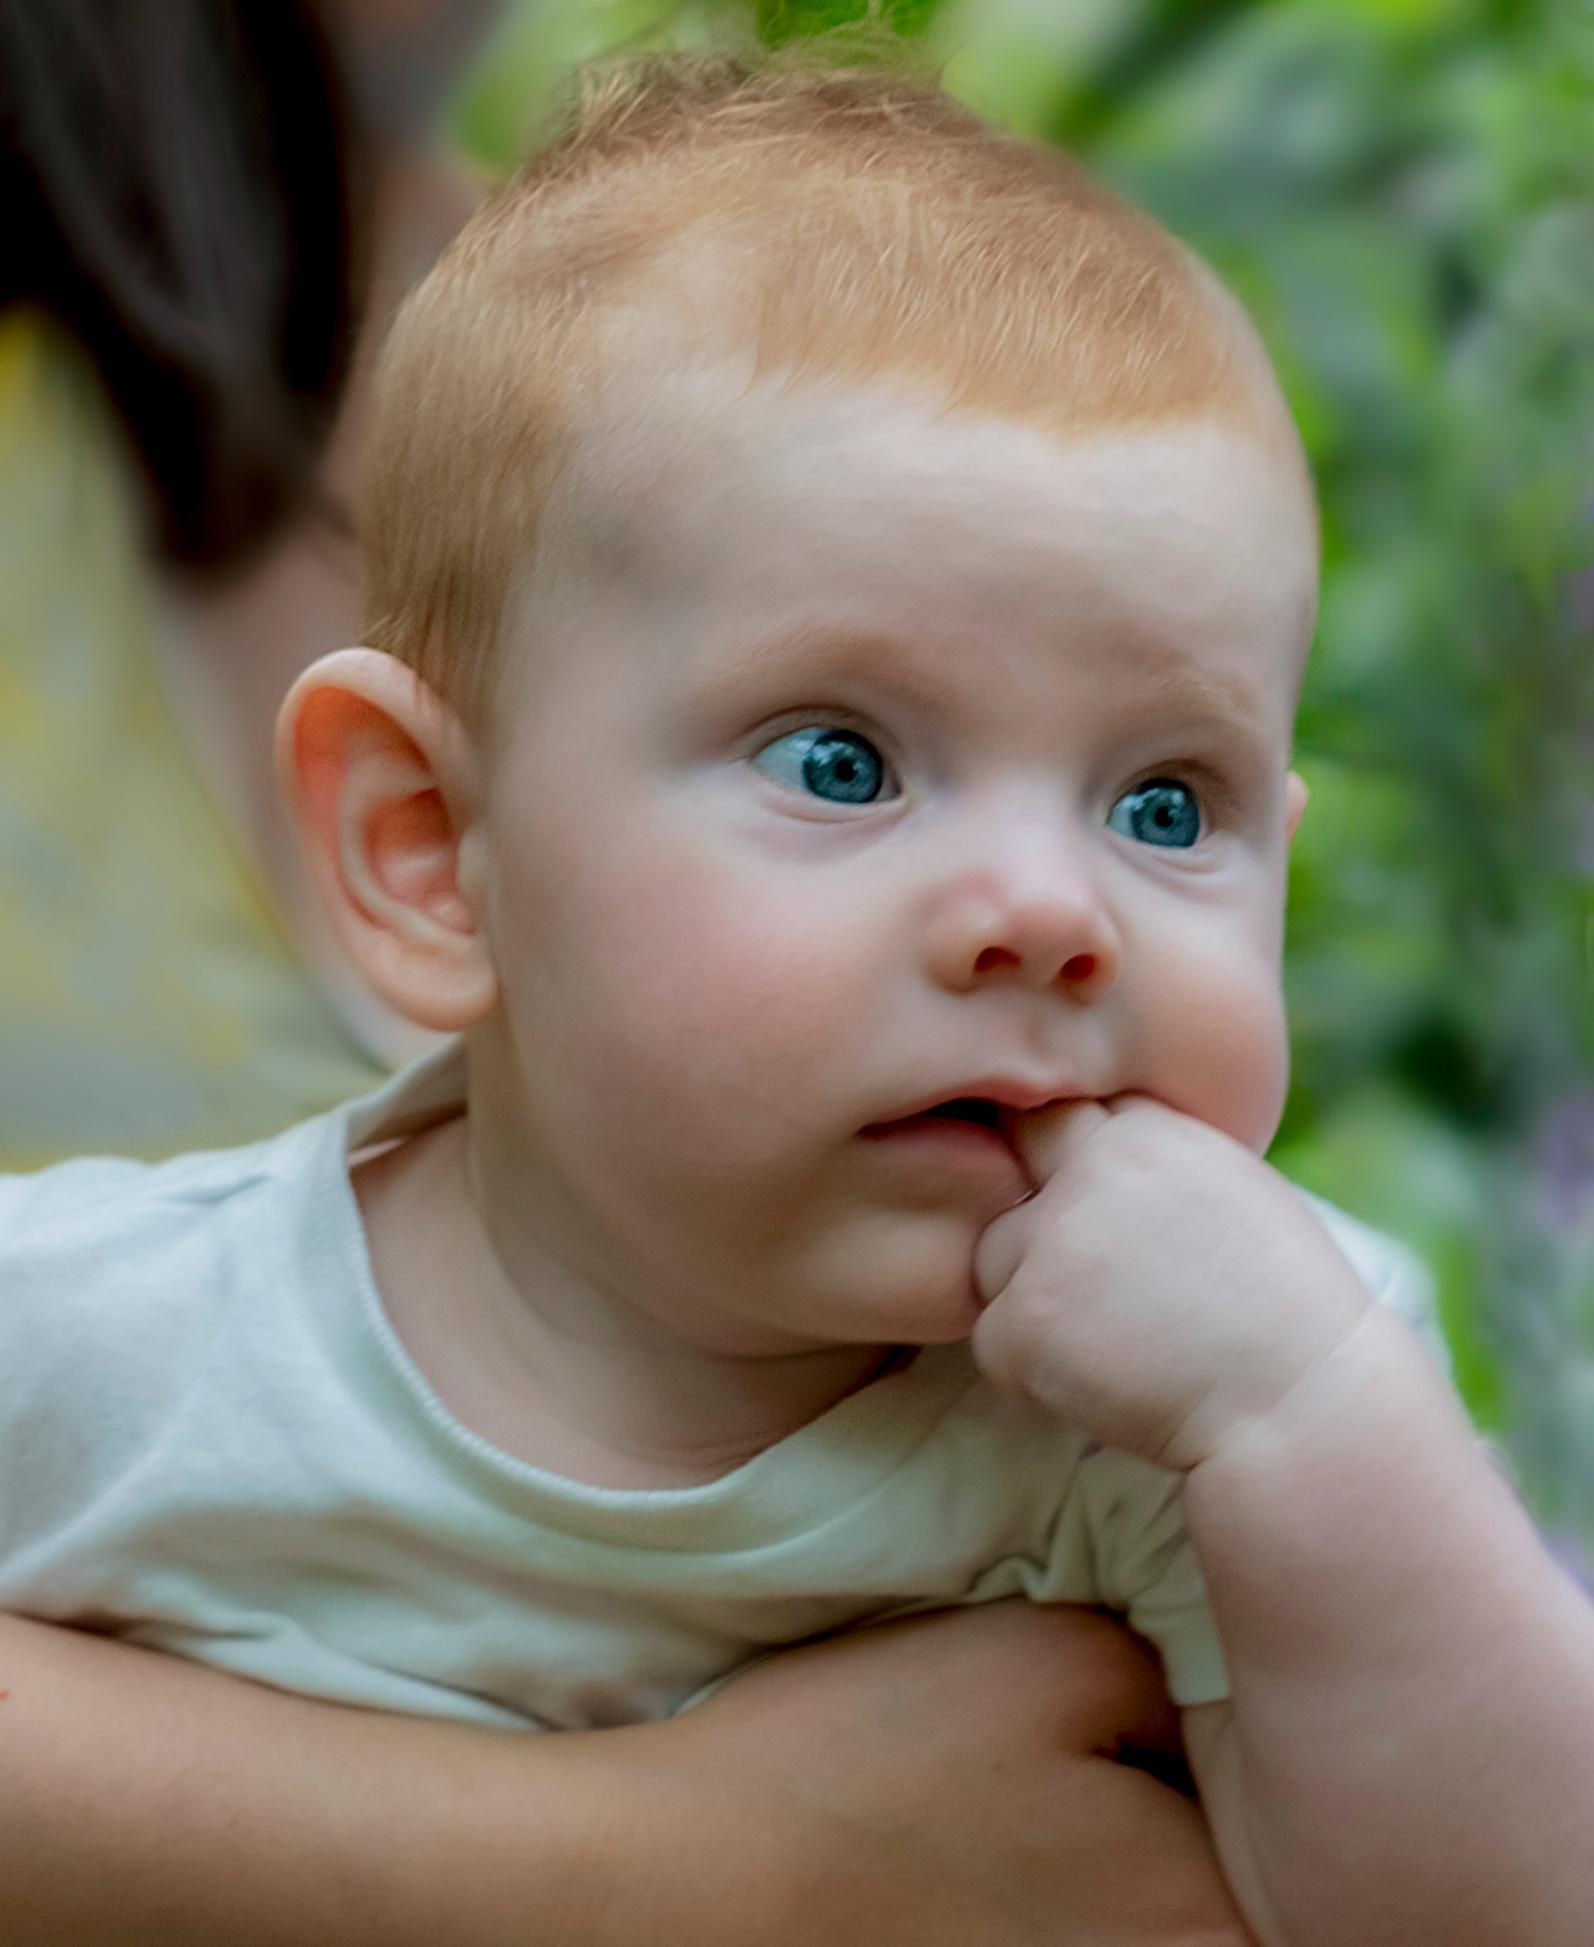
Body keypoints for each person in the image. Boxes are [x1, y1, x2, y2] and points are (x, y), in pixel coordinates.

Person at [7, 47, 1593, 1944]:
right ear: (433, 846)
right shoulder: (114, 1342)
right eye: (840, 760)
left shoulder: (1191, 1428)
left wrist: (1316, 1427)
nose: (1044, 910)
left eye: (1164, 804)